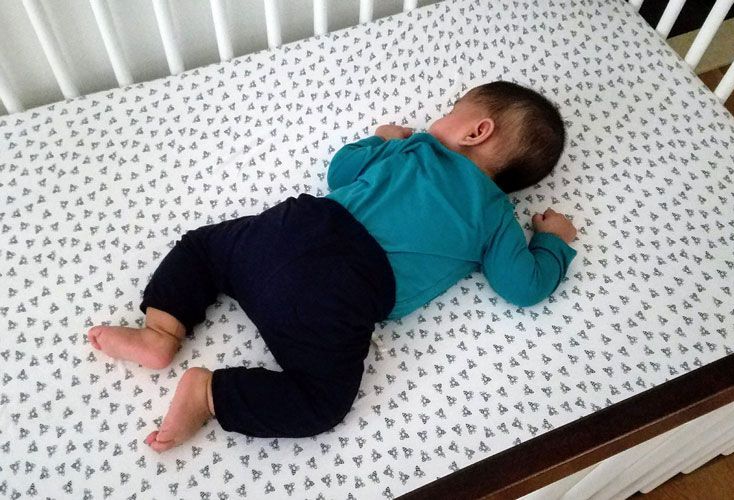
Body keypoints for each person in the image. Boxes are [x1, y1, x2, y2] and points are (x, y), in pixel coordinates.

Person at [87, 80, 577, 453]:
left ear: (476, 131)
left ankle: (160, 330)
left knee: (202, 249)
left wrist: (378, 139)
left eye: (452, 109)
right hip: (339, 293)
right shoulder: (496, 219)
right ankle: (208, 394)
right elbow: (524, 286)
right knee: (320, 401)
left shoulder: (413, 148)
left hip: (293, 229)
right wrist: (551, 242)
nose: (439, 116)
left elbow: (339, 172)